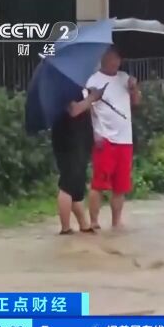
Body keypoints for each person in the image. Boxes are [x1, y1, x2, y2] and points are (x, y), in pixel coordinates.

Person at [86, 46, 142, 230]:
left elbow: (137, 103)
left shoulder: (124, 78)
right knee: (99, 184)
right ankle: (93, 221)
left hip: (125, 140)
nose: (115, 62)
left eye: (117, 59)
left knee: (121, 186)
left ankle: (116, 222)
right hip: (105, 139)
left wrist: (134, 89)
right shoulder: (93, 80)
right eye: (111, 58)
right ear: (103, 59)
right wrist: (96, 132)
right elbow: (90, 109)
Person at [52, 87, 105, 235]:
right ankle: (65, 227)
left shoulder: (80, 87)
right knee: (68, 183)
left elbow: (86, 111)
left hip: (80, 140)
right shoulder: (65, 87)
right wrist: (92, 98)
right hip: (68, 140)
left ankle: (83, 224)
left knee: (77, 182)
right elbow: (74, 110)